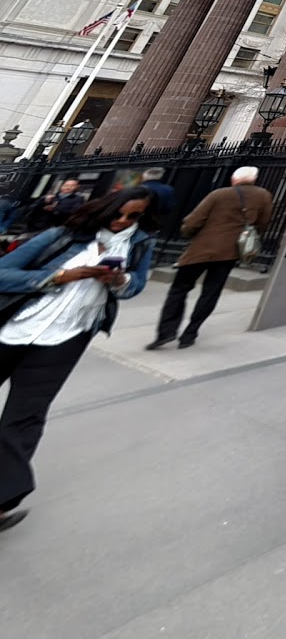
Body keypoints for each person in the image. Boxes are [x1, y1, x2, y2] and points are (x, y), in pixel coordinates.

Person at [0, 188, 157, 531]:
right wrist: (58, 276)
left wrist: (119, 280)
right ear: (106, 208)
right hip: (13, 327)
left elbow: (136, 286)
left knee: (24, 419)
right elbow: (3, 272)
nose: (123, 221)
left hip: (66, 338)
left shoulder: (140, 244)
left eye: (133, 216)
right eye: (119, 213)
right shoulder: (63, 235)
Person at [146, 167, 273, 350]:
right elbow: (263, 223)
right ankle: (190, 333)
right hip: (231, 251)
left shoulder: (219, 194)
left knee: (179, 289)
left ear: (233, 179)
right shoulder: (263, 195)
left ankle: (166, 331)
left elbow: (194, 220)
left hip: (202, 248)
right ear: (254, 179)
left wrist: (187, 232)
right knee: (211, 292)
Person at [137, 168, 179, 238]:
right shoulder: (168, 189)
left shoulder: (139, 188)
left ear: (145, 176)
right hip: (153, 222)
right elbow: (169, 207)